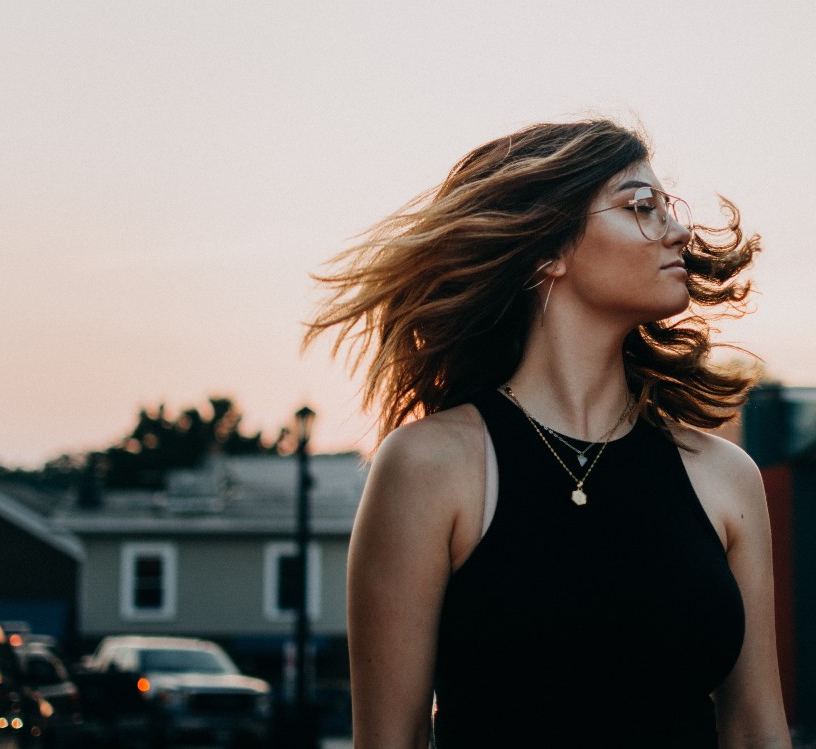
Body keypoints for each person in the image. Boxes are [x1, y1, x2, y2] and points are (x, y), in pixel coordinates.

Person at [306, 119, 790, 748]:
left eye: (667, 208)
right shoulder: (431, 466)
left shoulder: (725, 477)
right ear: (548, 252)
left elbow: (757, 732)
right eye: (641, 206)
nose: (677, 231)